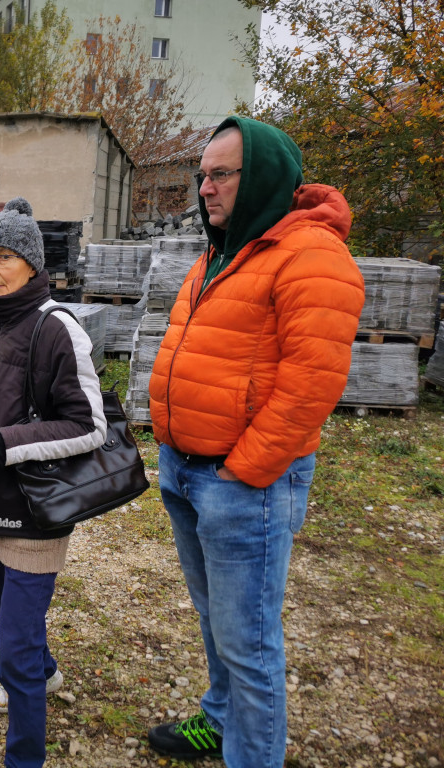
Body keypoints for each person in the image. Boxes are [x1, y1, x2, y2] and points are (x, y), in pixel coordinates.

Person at [146, 116, 365, 767]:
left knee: (249, 642)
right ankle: (221, 719)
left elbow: (311, 386)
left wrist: (245, 472)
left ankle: (253, 754)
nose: (204, 188)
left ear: (262, 175)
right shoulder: (227, 249)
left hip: (242, 483)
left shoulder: (313, 256)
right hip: (188, 469)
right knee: (219, 625)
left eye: (220, 174)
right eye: (203, 174)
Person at [0, 197, 107, 768]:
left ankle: (24, 755)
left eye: (5, 256)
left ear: (33, 264)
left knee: (15, 648)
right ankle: (47, 670)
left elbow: (89, 426)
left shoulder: (58, 330)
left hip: (34, 511)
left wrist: (5, 444)